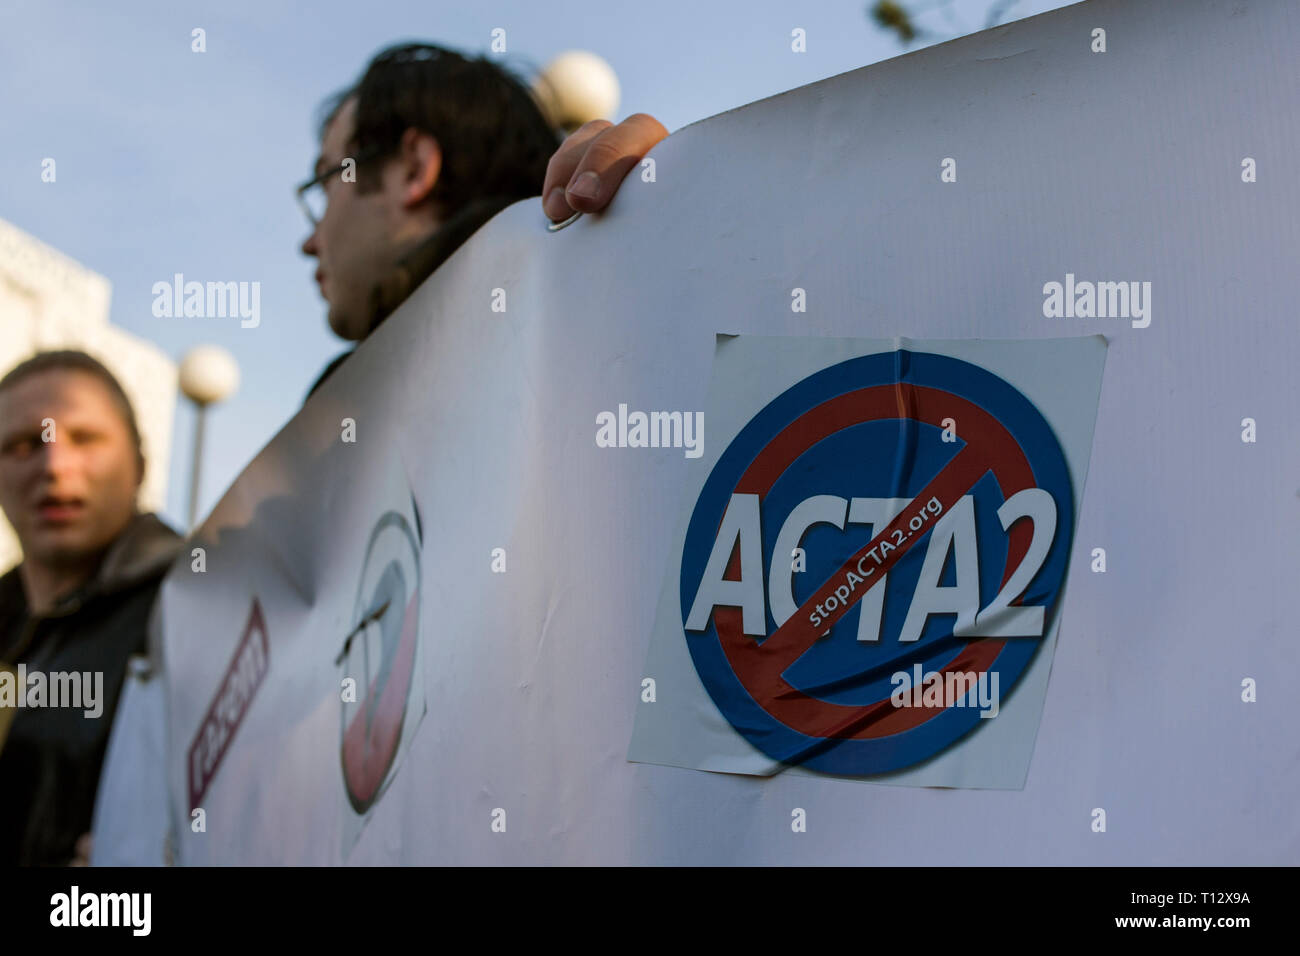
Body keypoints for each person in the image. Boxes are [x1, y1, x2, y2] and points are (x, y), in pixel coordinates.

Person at [296, 42, 669, 393]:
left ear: (413, 168)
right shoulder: (341, 415)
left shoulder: (591, 314)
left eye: (326, 183)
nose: (308, 244)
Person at [0, 351, 182, 866]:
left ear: (140, 463)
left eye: (85, 439)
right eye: (22, 446)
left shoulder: (199, 606)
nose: (55, 466)